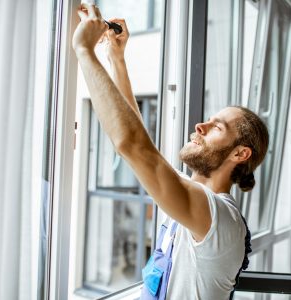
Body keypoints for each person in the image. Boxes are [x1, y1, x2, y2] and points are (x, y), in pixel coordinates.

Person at [72, 4, 269, 300]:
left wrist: (84, 50)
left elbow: (134, 146)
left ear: (240, 153)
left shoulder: (220, 220)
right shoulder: (189, 199)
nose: (200, 125)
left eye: (217, 127)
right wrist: (116, 57)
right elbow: (140, 141)